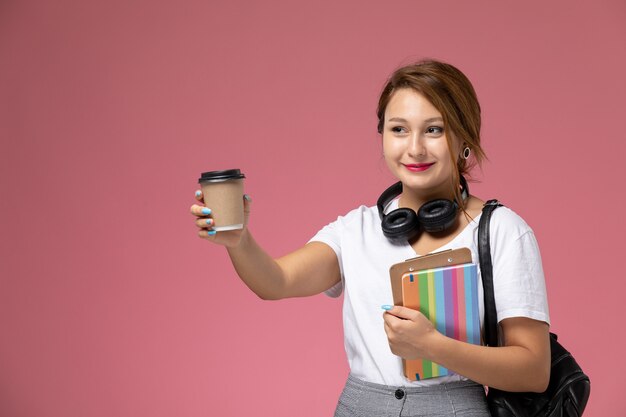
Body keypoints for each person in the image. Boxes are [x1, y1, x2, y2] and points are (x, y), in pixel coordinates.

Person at [190, 60, 551, 417]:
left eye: (434, 130)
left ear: (464, 140)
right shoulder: (355, 230)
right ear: (382, 136)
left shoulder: (502, 230)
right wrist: (239, 241)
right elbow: (275, 281)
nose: (415, 148)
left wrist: (432, 346)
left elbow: (533, 370)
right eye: (398, 129)